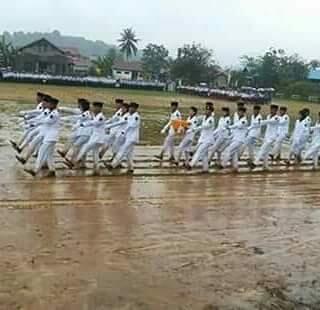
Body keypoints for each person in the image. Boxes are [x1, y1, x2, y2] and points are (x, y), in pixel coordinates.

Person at [24, 97, 60, 177]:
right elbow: (41, 118)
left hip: (51, 137)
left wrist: (31, 122)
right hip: (50, 137)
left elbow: (45, 121)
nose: (48, 104)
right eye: (48, 103)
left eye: (50, 103)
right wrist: (30, 121)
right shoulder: (50, 112)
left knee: (41, 152)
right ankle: (52, 171)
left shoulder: (54, 114)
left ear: (54, 105)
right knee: (49, 155)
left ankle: (35, 170)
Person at [68, 101, 106, 174]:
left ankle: (74, 162)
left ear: (99, 108)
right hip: (95, 137)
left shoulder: (100, 117)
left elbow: (93, 123)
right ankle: (96, 170)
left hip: (97, 138)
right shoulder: (95, 116)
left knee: (85, 147)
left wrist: (82, 124)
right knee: (95, 154)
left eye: (95, 107)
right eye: (93, 107)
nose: (93, 108)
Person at [58, 99, 92, 164]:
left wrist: (63, 119)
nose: (78, 106)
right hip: (82, 133)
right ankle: (81, 163)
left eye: (80, 105)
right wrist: (61, 109)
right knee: (79, 147)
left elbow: (76, 117)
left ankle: (72, 161)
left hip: (85, 134)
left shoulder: (86, 114)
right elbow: (71, 110)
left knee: (77, 146)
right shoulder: (83, 112)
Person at [110, 102, 141, 173]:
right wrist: (108, 126)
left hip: (132, 138)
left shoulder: (136, 117)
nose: (130, 109)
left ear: (135, 109)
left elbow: (131, 125)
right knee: (129, 154)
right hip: (128, 137)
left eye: (132, 108)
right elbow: (120, 122)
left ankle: (112, 165)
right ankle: (131, 168)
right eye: (130, 107)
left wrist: (124, 131)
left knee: (122, 150)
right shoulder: (128, 115)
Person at [188, 103, 215, 172]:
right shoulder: (204, 117)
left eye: (208, 110)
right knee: (204, 155)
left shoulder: (211, 120)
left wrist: (194, 129)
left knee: (199, 151)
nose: (206, 111)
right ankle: (205, 169)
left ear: (211, 112)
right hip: (203, 139)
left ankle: (191, 165)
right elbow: (198, 119)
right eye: (206, 110)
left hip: (208, 140)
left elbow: (204, 126)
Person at [252, 104, 280, 170]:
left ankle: (255, 162)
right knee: (266, 152)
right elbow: (266, 124)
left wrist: (260, 122)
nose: (272, 111)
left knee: (263, 148)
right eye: (271, 109)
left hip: (272, 137)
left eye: (274, 110)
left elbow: (269, 122)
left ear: (276, 110)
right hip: (267, 136)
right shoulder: (268, 116)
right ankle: (266, 166)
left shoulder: (277, 118)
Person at [221, 107, 248, 171]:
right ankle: (235, 167)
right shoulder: (238, 119)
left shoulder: (244, 121)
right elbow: (235, 129)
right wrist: (230, 136)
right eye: (239, 111)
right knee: (234, 154)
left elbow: (237, 126)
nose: (239, 113)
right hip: (235, 139)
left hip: (239, 140)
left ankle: (223, 165)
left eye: (241, 112)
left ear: (244, 113)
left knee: (228, 150)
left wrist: (229, 127)